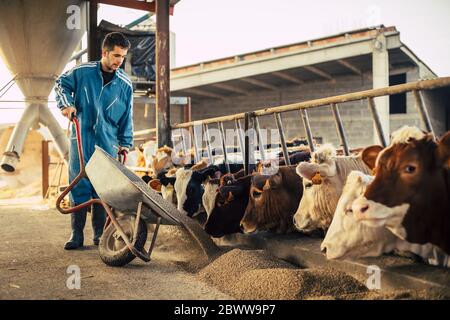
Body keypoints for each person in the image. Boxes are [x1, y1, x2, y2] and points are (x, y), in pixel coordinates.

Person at [55, 32, 134, 250]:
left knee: (102, 189)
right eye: (116, 55)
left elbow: (127, 116)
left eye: (123, 57)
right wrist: (66, 105)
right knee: (79, 185)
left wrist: (125, 143)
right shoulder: (82, 72)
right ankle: (76, 234)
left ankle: (99, 235)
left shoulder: (125, 85)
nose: (119, 61)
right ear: (104, 53)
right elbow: (61, 84)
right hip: (81, 140)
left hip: (107, 145)